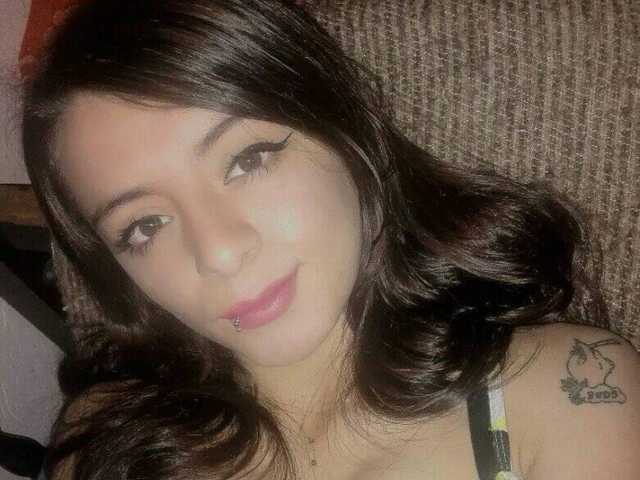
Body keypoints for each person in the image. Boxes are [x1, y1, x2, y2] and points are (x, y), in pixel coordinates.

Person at [21, 0, 640, 479]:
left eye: (247, 160)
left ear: (343, 130)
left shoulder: (570, 391)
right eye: (145, 226)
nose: (220, 252)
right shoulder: (103, 439)